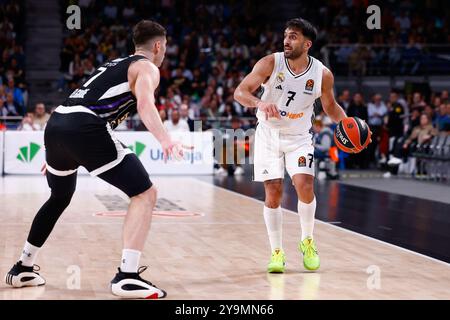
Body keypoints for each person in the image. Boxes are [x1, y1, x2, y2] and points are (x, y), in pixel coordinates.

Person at [4, 20, 184, 299]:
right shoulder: (147, 67)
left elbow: (81, 101)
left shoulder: (114, 64)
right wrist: (166, 139)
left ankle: (23, 267)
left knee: (59, 196)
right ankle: (127, 276)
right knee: (145, 193)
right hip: (84, 127)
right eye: (166, 46)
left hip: (57, 124)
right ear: (158, 45)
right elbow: (145, 105)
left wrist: (62, 149)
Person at [234, 18, 351, 273]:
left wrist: (349, 124)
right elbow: (240, 92)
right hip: (268, 135)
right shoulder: (270, 63)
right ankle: (277, 252)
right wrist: (259, 103)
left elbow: (330, 107)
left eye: (294, 36)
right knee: (274, 192)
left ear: (307, 44)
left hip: (299, 138)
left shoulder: (322, 74)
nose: (287, 40)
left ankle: (307, 240)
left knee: (304, 185)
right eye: (286, 35)